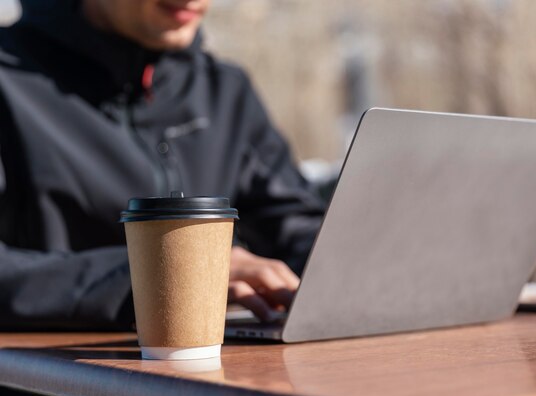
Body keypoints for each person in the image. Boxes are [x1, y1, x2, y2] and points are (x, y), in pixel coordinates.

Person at [0, 0, 326, 330]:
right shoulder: (9, 82)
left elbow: (295, 227)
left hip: (214, 366)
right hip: (51, 375)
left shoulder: (223, 92)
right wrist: (171, 274)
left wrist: (354, 266)